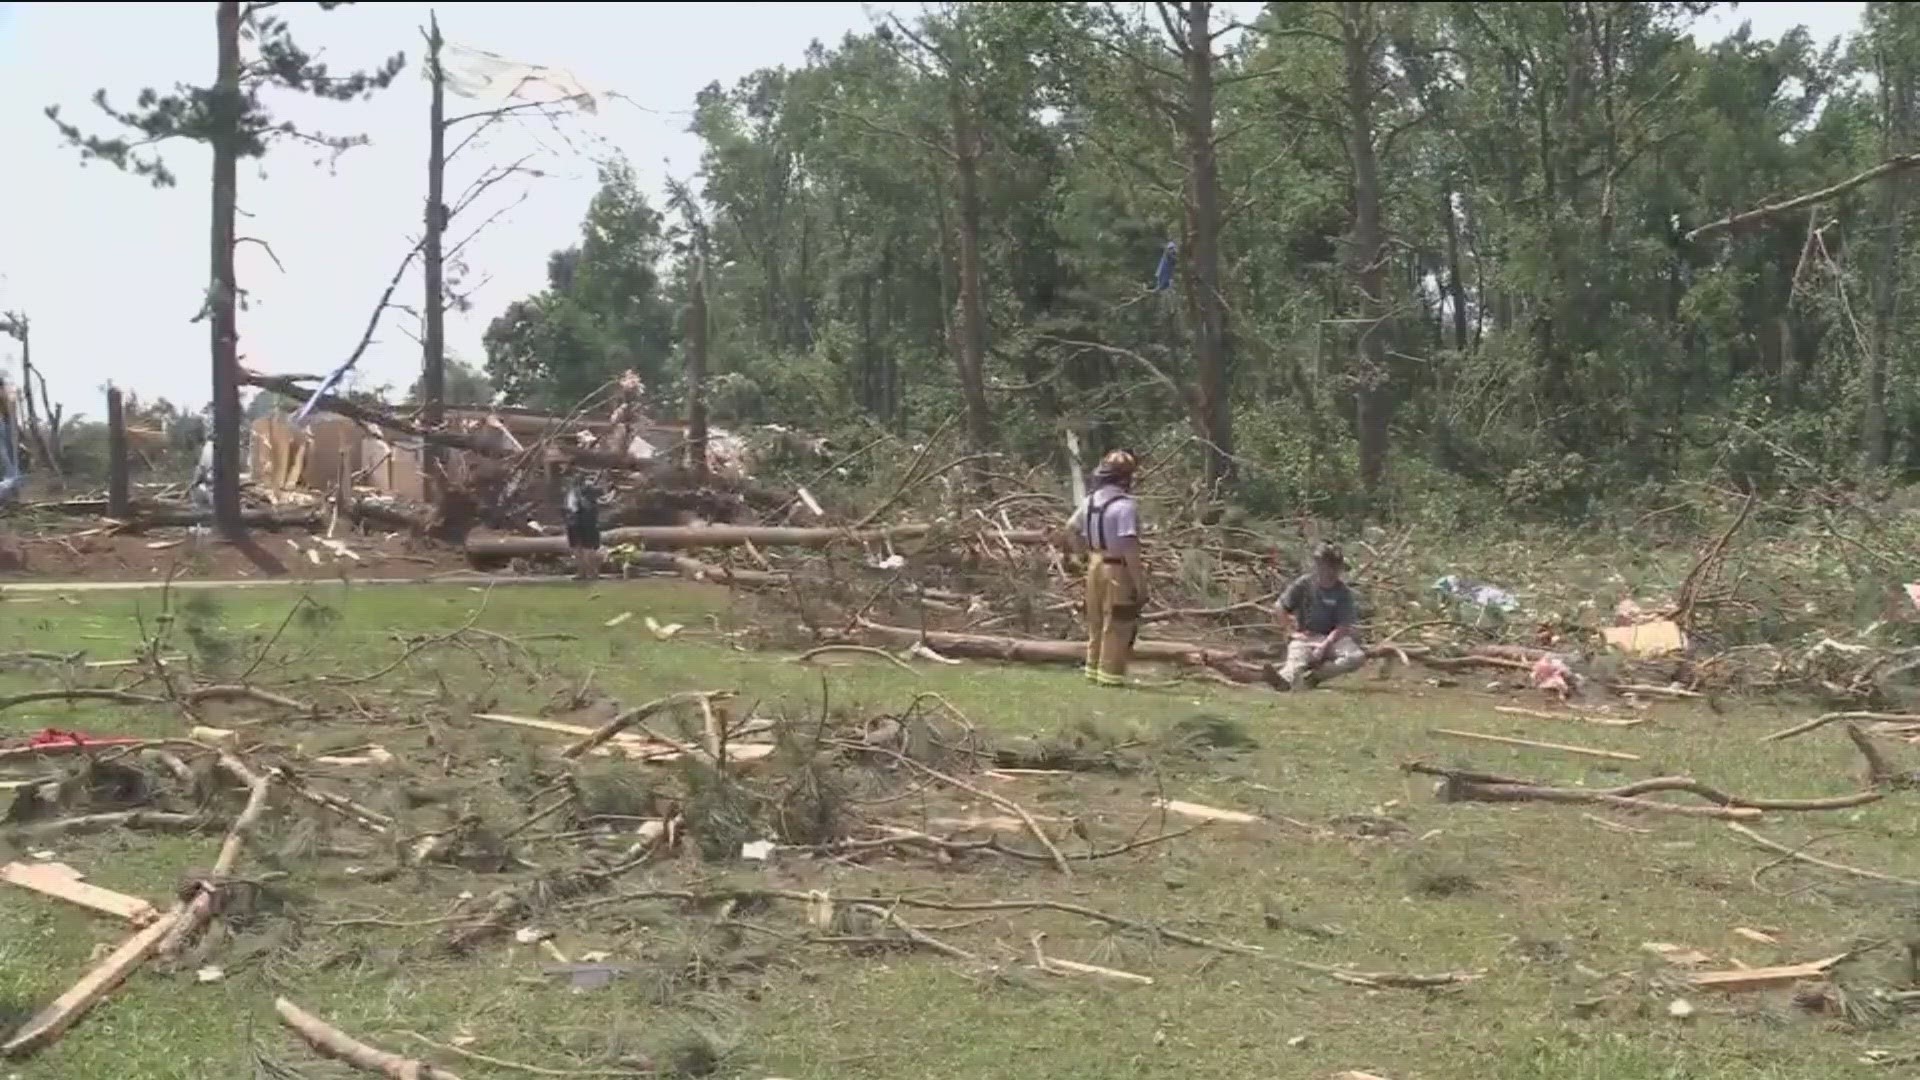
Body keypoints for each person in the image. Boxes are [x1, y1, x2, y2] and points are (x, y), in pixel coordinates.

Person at [1065, 450, 1147, 686]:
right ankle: (1111, 676)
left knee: (1096, 620)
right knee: (1118, 622)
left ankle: (1092, 669)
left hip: (1094, 563)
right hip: (1117, 567)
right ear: (1126, 478)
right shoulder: (1126, 506)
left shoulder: (1090, 501)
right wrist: (1139, 583)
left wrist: (1082, 554)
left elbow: (1070, 528)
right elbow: (1129, 547)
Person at [1271, 542, 1366, 690]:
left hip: (1333, 639)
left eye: (1333, 566)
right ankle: (1282, 681)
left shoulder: (1343, 592)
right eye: (1325, 565)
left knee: (1356, 657)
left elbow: (1343, 625)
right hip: (1306, 637)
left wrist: (1325, 645)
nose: (1329, 570)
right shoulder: (1304, 584)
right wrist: (1290, 632)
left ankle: (1315, 677)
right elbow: (1280, 606)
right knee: (1295, 663)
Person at [563, 469, 604, 580]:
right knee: (588, 547)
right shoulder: (588, 491)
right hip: (586, 521)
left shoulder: (571, 492)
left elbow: (568, 508)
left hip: (573, 521)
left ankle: (582, 573)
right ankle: (591, 573)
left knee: (578, 548)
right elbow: (601, 492)